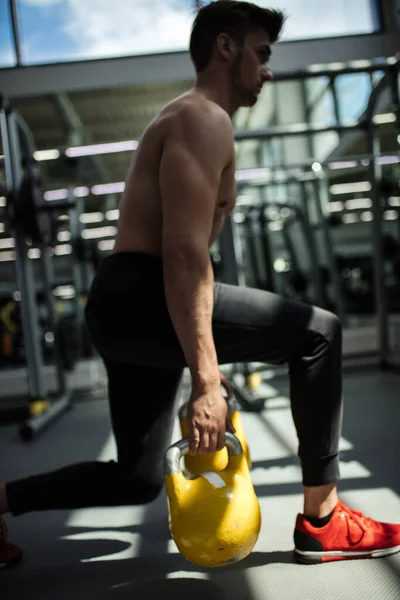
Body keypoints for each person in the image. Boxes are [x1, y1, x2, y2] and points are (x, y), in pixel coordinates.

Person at [1, 0, 399, 568]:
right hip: (143, 293)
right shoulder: (199, 117)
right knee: (319, 332)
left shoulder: (195, 120)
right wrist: (207, 380)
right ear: (225, 47)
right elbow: (184, 254)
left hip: (125, 303)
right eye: (261, 55)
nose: (267, 71)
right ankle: (325, 519)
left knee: (136, 480)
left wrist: (201, 364)